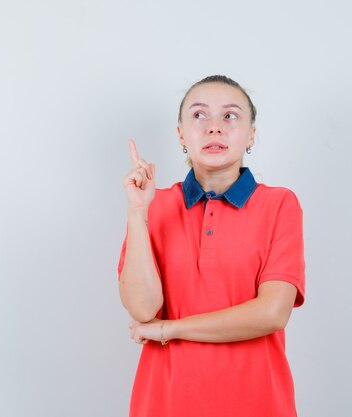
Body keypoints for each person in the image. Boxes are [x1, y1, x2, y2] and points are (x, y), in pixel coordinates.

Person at [117, 75, 306, 417]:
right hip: (165, 404)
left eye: (230, 116)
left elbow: (272, 313)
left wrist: (168, 329)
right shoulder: (153, 206)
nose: (214, 128)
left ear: (251, 135)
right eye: (200, 115)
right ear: (181, 135)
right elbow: (142, 309)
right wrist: (137, 212)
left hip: (257, 403)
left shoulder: (279, 205)